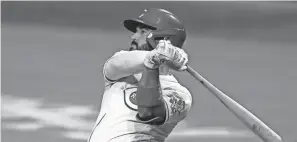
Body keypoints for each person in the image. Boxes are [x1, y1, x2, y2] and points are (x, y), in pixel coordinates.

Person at [88, 8, 192, 142]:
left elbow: (148, 112)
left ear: (164, 40)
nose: (133, 37)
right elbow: (117, 63)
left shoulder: (180, 95)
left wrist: (152, 63)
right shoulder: (123, 69)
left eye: (142, 32)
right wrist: (151, 57)